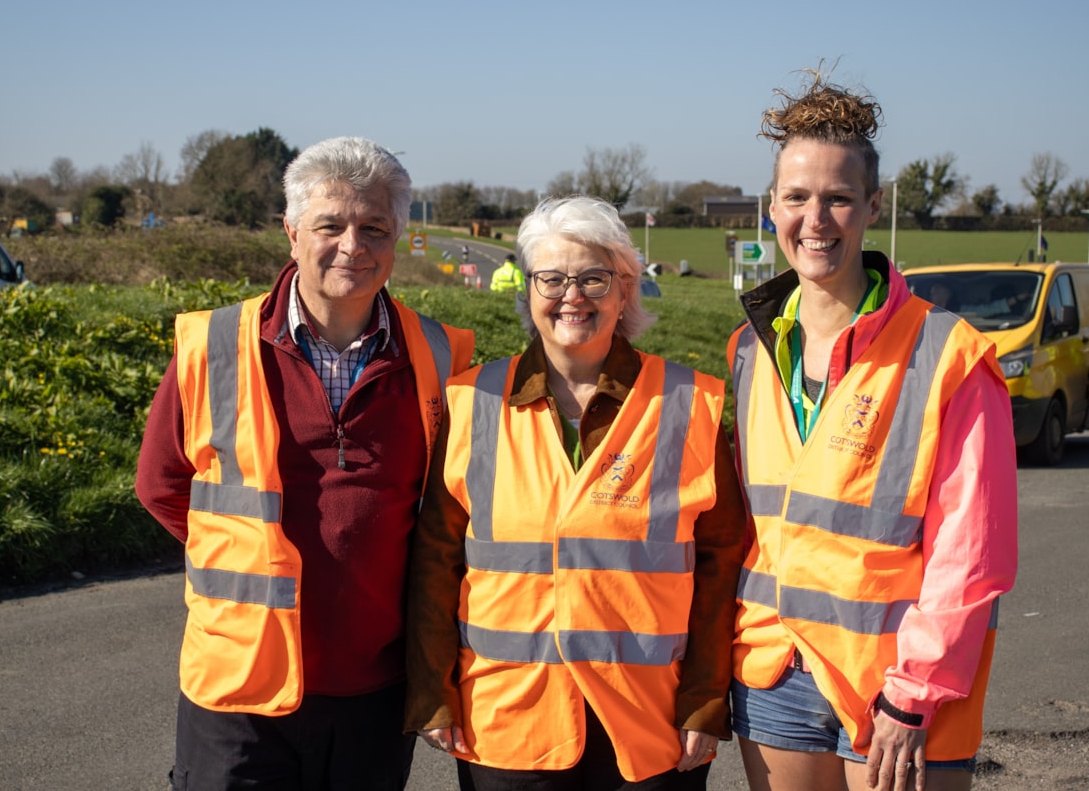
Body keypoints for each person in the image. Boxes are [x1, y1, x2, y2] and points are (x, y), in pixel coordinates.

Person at [135, 135, 475, 791]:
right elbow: (162, 484)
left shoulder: (442, 354)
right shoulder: (212, 346)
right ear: (291, 233)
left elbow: (449, 508)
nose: (353, 245)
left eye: (374, 227)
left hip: (377, 687)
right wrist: (243, 553)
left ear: (397, 238)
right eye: (331, 225)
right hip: (238, 687)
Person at [725, 71, 1018, 791]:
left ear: (872, 207)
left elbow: (972, 552)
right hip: (774, 672)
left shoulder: (949, 354)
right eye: (796, 197)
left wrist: (912, 694)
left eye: (838, 198)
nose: (815, 219)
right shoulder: (749, 348)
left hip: (899, 686)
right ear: (771, 208)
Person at [405, 195, 747, 790]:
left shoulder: (690, 405)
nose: (573, 295)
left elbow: (722, 570)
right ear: (529, 289)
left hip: (647, 724)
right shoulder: (471, 401)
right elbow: (436, 559)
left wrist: (704, 699)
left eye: (594, 278)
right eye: (552, 277)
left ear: (625, 292)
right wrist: (432, 692)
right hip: (508, 723)